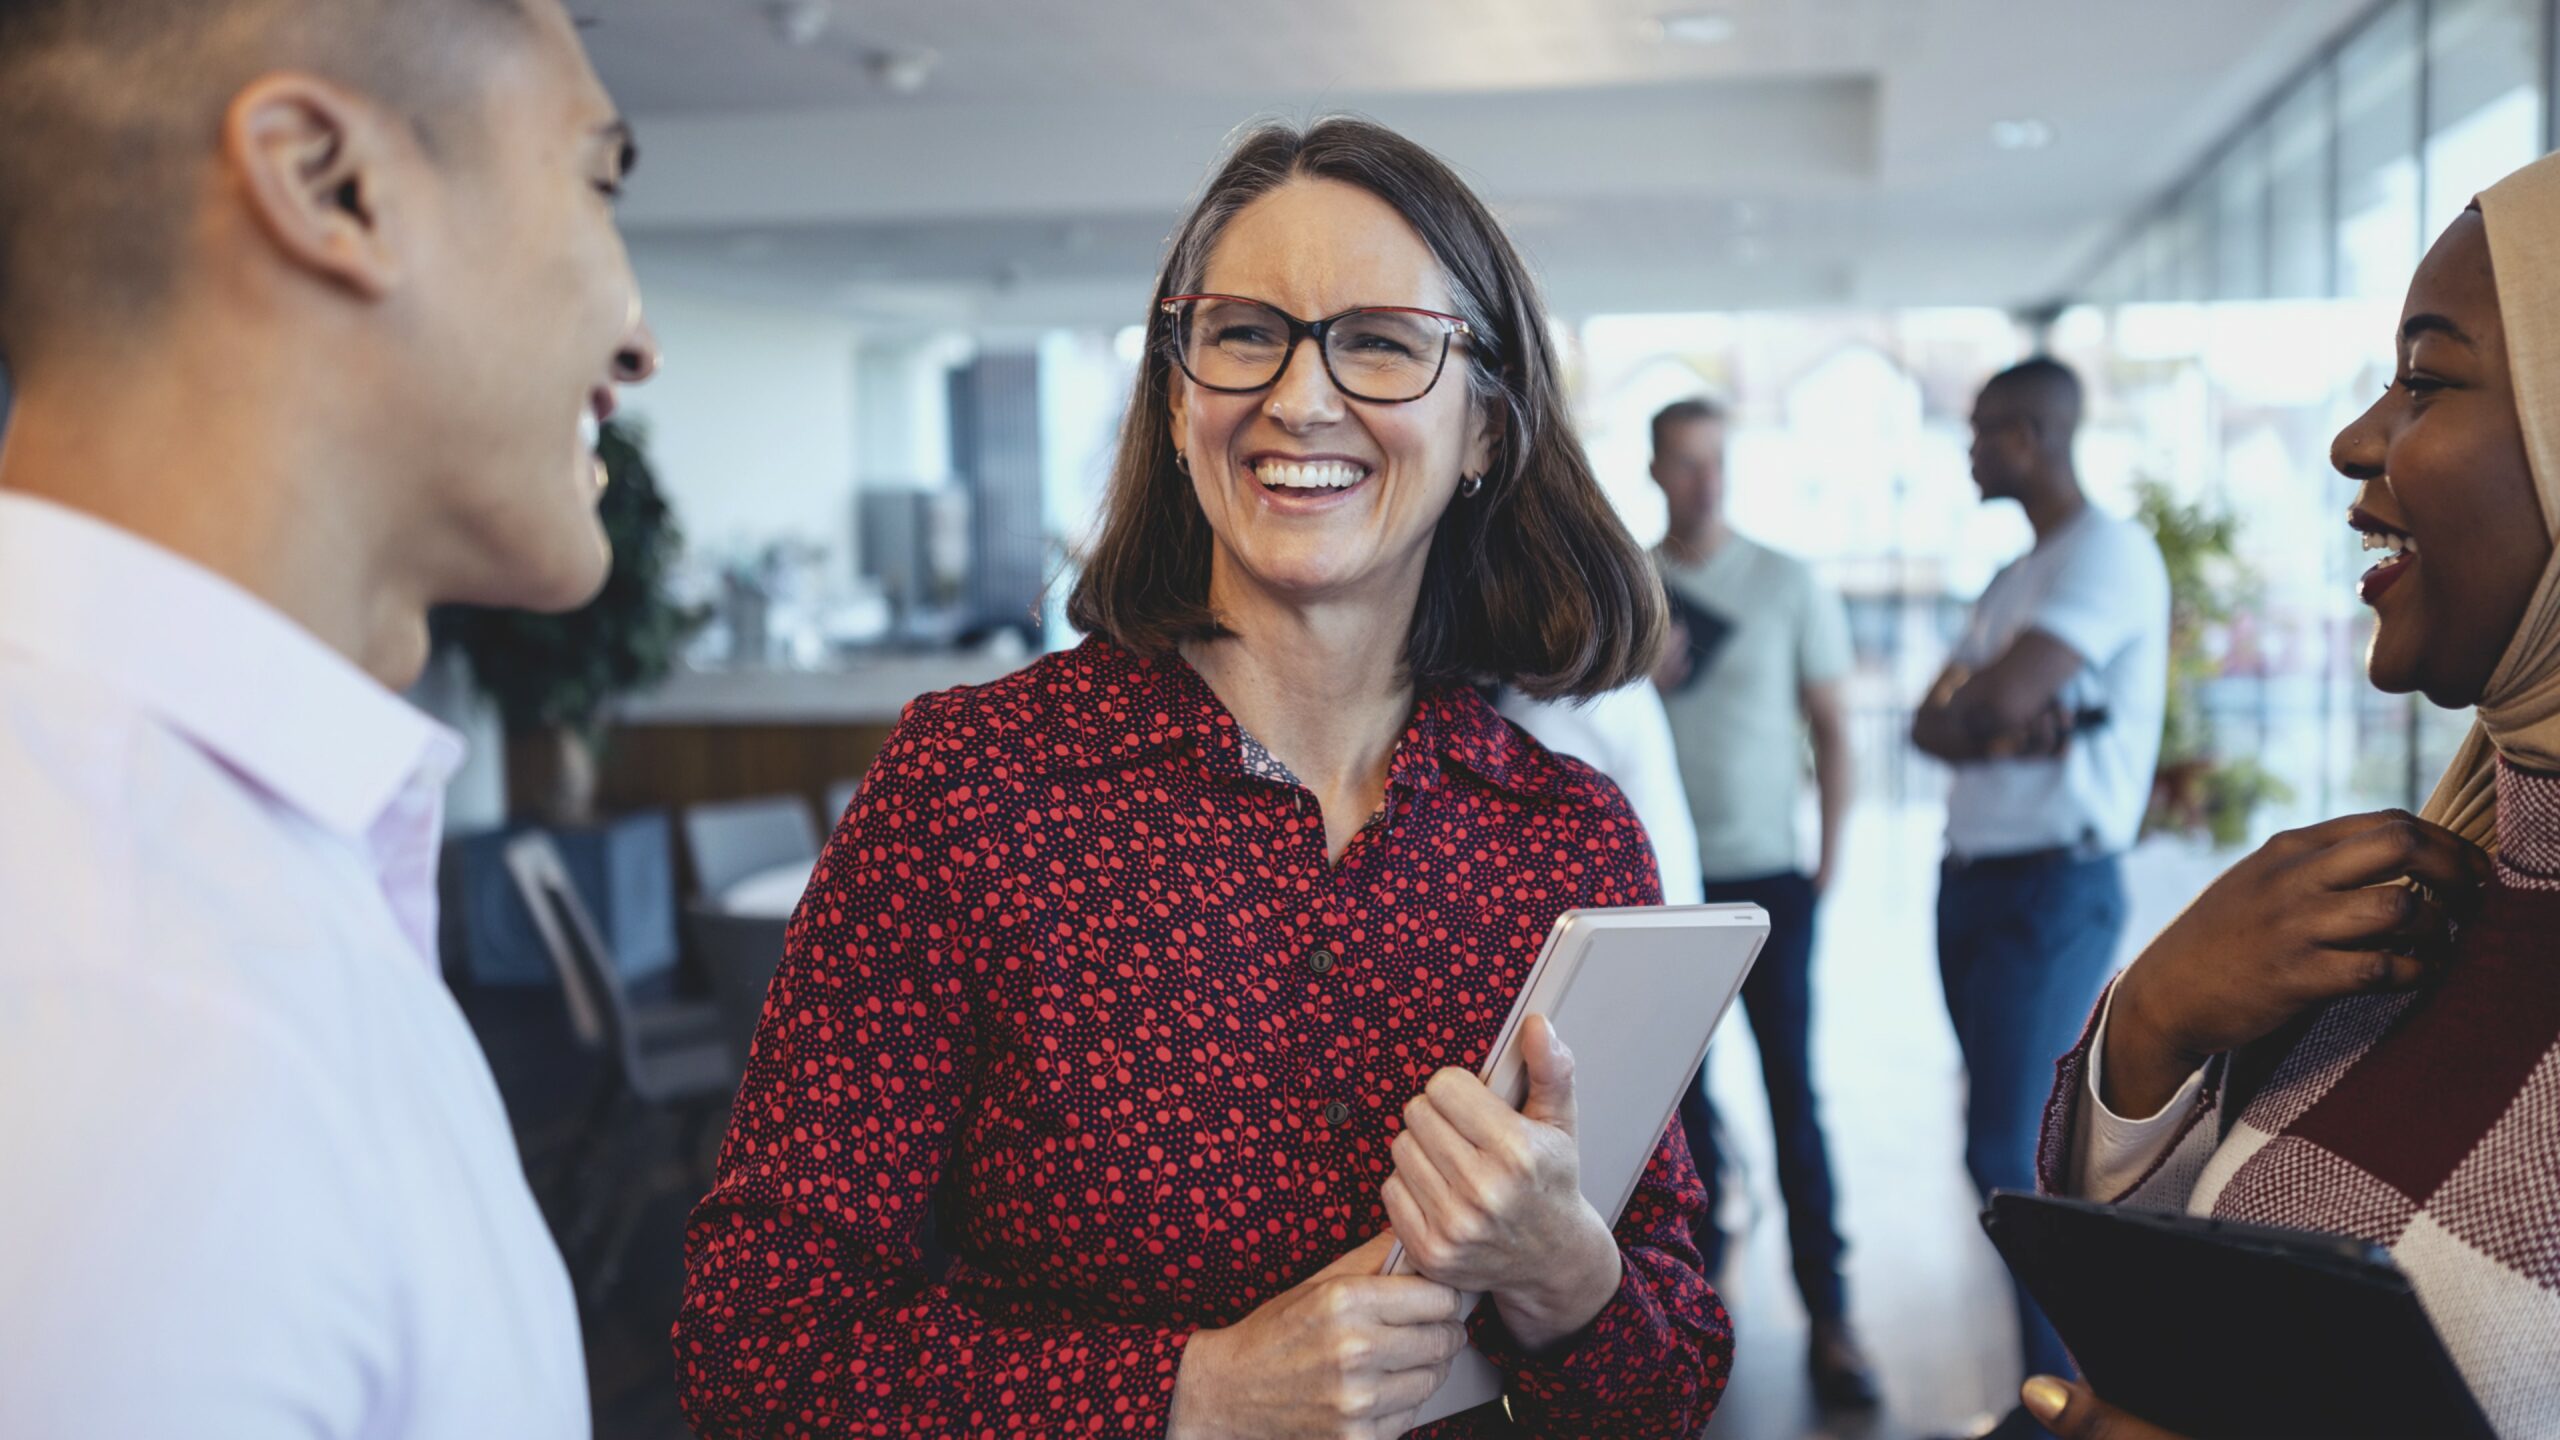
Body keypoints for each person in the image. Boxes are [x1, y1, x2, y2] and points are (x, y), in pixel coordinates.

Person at [673, 116, 1733, 1440]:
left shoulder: (1565, 838)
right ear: (1179, 400)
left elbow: (1672, 1383)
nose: (1298, 398)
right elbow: (755, 1345)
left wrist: (1564, 1272)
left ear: (1482, 429)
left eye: (1382, 343)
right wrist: (1194, 1395)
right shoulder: (975, 789)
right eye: (1244, 334)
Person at [0, 1, 659, 1434]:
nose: (639, 340)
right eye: (598, 181)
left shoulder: (203, 883)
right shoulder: (128, 1013)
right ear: (330, 185)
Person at [2018, 152, 2560, 1440]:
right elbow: (2178, 1305)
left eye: (2425, 381)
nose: (2354, 440)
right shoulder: (2426, 907)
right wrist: (2151, 1025)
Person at [1912, 357, 2169, 1437]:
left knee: (2012, 1157)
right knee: (2001, 1147)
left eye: (1980, 432)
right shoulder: (2016, 575)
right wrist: (1994, 718)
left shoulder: (2104, 556)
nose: (1968, 450)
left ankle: (2067, 1410)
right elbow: (1928, 727)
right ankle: (2057, 1397)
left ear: (2030, 434)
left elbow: (1994, 698)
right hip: (1974, 887)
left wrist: (1993, 711)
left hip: (2047, 891)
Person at [1646, 396, 1880, 1407]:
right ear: (1655, 471)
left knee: (1793, 1094)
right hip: (1656, 888)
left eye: (1716, 463)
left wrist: (1826, 859)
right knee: (1674, 1111)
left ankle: (1831, 1318)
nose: (1704, 481)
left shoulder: (1786, 583)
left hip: (1766, 876)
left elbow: (1831, 724)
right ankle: (1694, 1312)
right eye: (1686, 464)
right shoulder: (1628, 589)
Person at [1496, 680, 1705, 908]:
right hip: (1662, 911)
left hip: (1634, 922)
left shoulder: (1563, 708)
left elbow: (1535, 851)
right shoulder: (1619, 688)